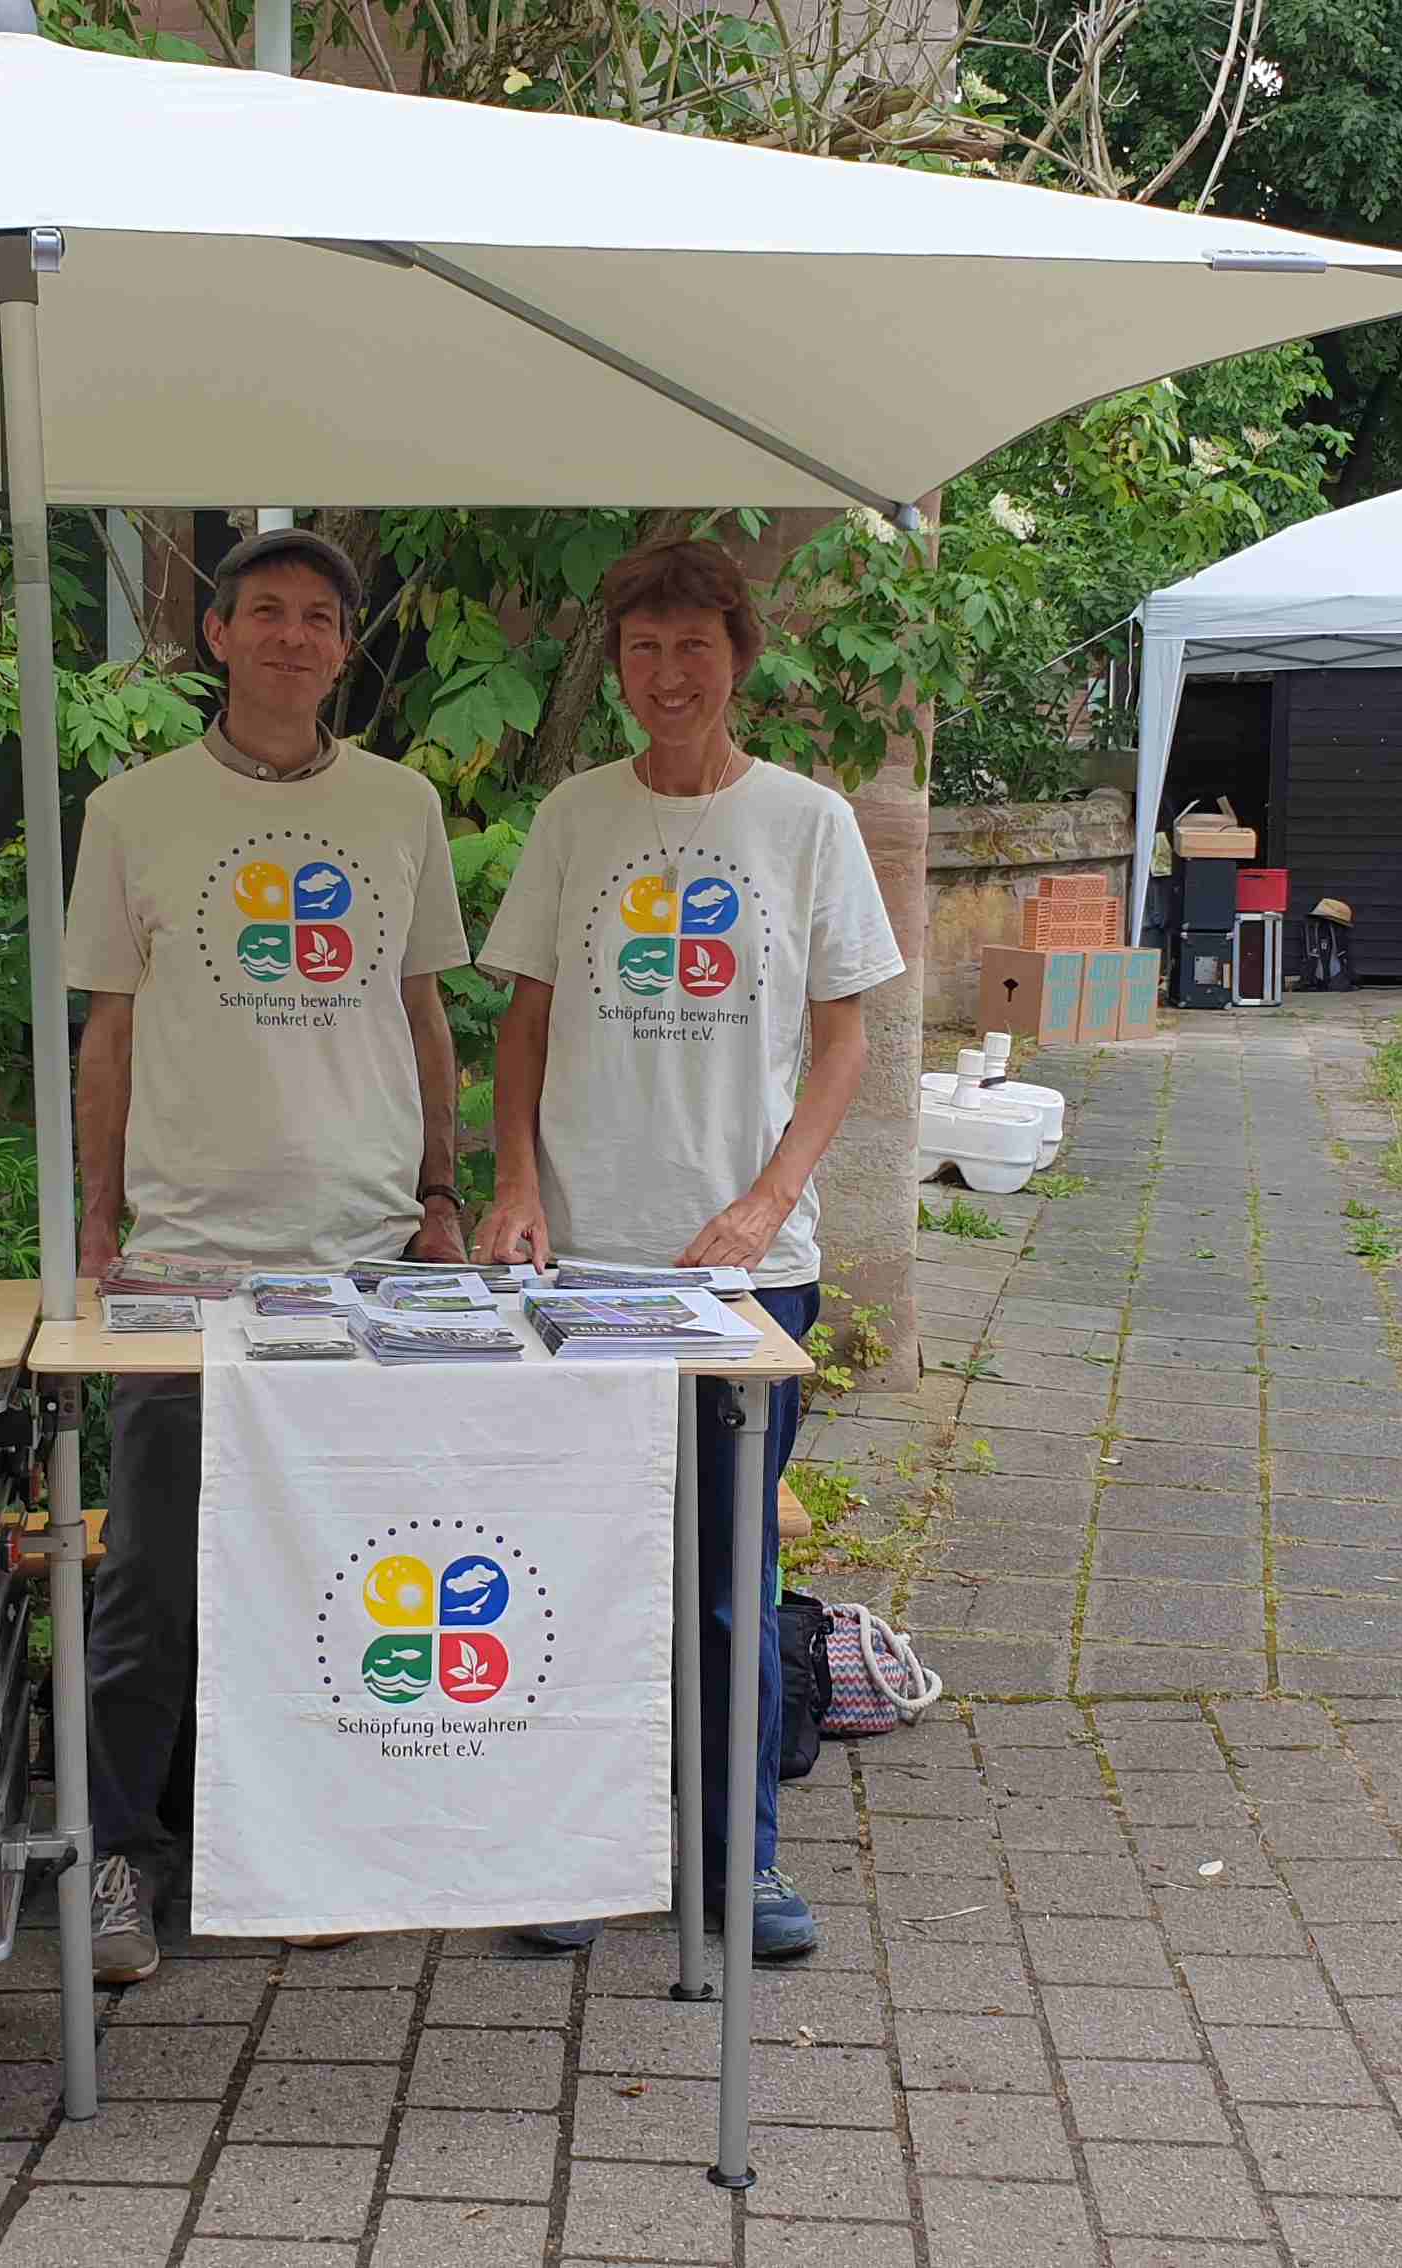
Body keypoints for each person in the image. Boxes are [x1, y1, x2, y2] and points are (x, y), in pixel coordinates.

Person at [474, 538, 903, 1965]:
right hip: (584, 1259)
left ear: (739, 657)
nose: (669, 675)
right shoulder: (574, 819)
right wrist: (517, 1179)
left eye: (694, 648)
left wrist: (772, 1199)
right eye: (643, 649)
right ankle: (575, 1861)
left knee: (728, 1574)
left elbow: (846, 1034)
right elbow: (523, 1016)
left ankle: (740, 1863)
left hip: (742, 1270)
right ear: (617, 666)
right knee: (582, 1566)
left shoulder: (810, 822)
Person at [64, 525, 472, 1986]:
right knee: (153, 1585)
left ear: (343, 647)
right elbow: (106, 1032)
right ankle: (116, 1860)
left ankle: (302, 1849)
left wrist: (440, 1190)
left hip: (360, 1254)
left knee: (338, 1573)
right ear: (217, 638)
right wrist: (98, 1224)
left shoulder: (402, 805)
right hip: (189, 1259)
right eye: (266, 613)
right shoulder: (132, 811)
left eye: (319, 616)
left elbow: (423, 1012)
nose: (294, 635)